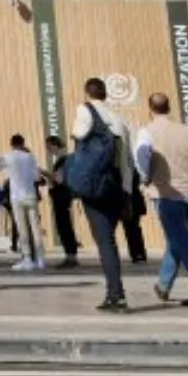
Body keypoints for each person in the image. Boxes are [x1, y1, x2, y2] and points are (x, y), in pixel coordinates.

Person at [135, 93, 188, 308]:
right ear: (169, 107)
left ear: (150, 108)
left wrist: (145, 177)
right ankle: (163, 285)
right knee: (176, 240)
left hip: (167, 195)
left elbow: (141, 157)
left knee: (182, 243)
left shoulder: (147, 131)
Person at [64, 78, 137, 312]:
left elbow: (77, 133)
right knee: (110, 240)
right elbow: (128, 160)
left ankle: (116, 295)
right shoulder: (121, 119)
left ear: (87, 93)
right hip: (117, 184)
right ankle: (115, 292)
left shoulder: (85, 110)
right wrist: (127, 191)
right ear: (106, 94)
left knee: (105, 241)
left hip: (96, 185)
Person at [0, 133, 47, 271]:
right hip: (30, 194)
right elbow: (37, 177)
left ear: (11, 144)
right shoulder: (30, 156)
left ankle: (27, 259)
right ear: (23, 143)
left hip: (17, 196)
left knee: (22, 229)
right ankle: (41, 259)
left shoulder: (7, 156)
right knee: (36, 228)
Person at [44, 134, 81, 269]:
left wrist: (44, 173)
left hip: (62, 196)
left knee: (64, 226)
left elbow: (59, 179)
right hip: (62, 196)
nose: (47, 150)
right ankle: (70, 255)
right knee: (64, 226)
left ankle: (71, 257)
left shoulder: (63, 160)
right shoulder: (64, 159)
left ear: (54, 145)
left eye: (48, 147)